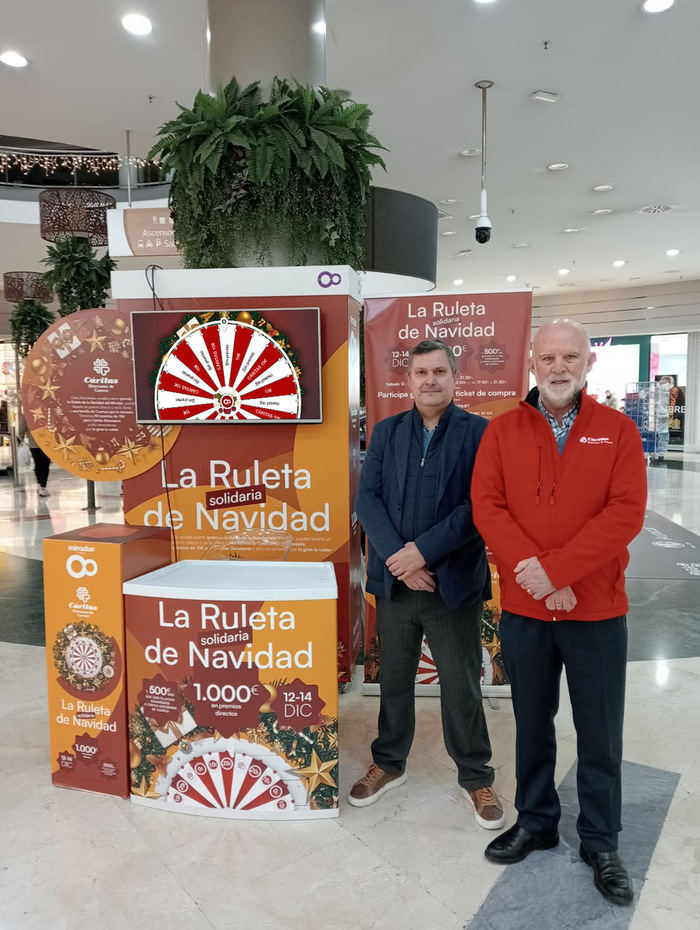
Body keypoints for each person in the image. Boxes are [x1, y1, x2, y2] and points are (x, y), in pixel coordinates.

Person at [471, 319, 646, 906]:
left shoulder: (617, 432)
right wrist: (542, 577)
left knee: (599, 732)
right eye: (547, 357)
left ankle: (601, 841)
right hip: (526, 609)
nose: (558, 367)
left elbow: (624, 515)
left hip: (596, 609)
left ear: (588, 363)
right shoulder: (503, 431)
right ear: (531, 364)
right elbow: (488, 508)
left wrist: (562, 573)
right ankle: (537, 820)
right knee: (531, 721)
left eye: (569, 356)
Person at [350, 338, 504, 830]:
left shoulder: (481, 434)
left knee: (461, 684)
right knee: (393, 678)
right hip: (396, 584)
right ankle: (389, 763)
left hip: (451, 583)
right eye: (422, 373)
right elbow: (368, 499)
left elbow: (480, 506)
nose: (430, 380)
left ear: (455, 378)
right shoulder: (387, 431)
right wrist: (401, 559)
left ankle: (476, 775)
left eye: (440, 371)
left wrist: (424, 552)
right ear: (408, 380)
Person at [18, 411, 52, 497]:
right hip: (47, 443)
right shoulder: (47, 411)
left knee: (38, 464)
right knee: (45, 464)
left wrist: (21, 439)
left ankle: (39, 484)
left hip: (33, 443)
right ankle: (42, 487)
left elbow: (21, 429)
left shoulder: (26, 413)